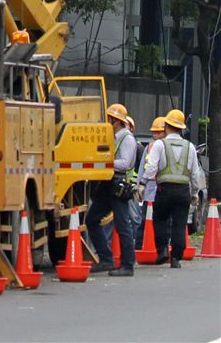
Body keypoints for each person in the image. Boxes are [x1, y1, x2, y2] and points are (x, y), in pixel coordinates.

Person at [142, 107, 204, 268]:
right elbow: (195, 174)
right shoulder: (190, 147)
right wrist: (194, 193)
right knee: (180, 222)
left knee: (160, 219)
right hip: (183, 191)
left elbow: (151, 168)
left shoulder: (159, 145)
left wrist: (143, 183)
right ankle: (176, 257)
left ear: (166, 126)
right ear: (181, 127)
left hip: (164, 190)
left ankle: (162, 250)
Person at [85, 102, 137, 276]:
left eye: (110, 119)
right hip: (109, 184)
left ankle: (127, 265)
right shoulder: (113, 138)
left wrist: (104, 163)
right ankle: (106, 259)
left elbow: (126, 163)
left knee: (123, 226)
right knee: (92, 219)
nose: (108, 122)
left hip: (118, 185)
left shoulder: (127, 138)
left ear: (117, 121)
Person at [135, 116, 166, 247]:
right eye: (154, 132)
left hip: (161, 189)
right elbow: (142, 168)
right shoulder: (148, 148)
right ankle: (140, 245)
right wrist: (139, 186)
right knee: (144, 220)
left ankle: (158, 246)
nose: (156, 135)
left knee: (161, 220)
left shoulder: (166, 147)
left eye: (158, 132)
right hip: (148, 189)